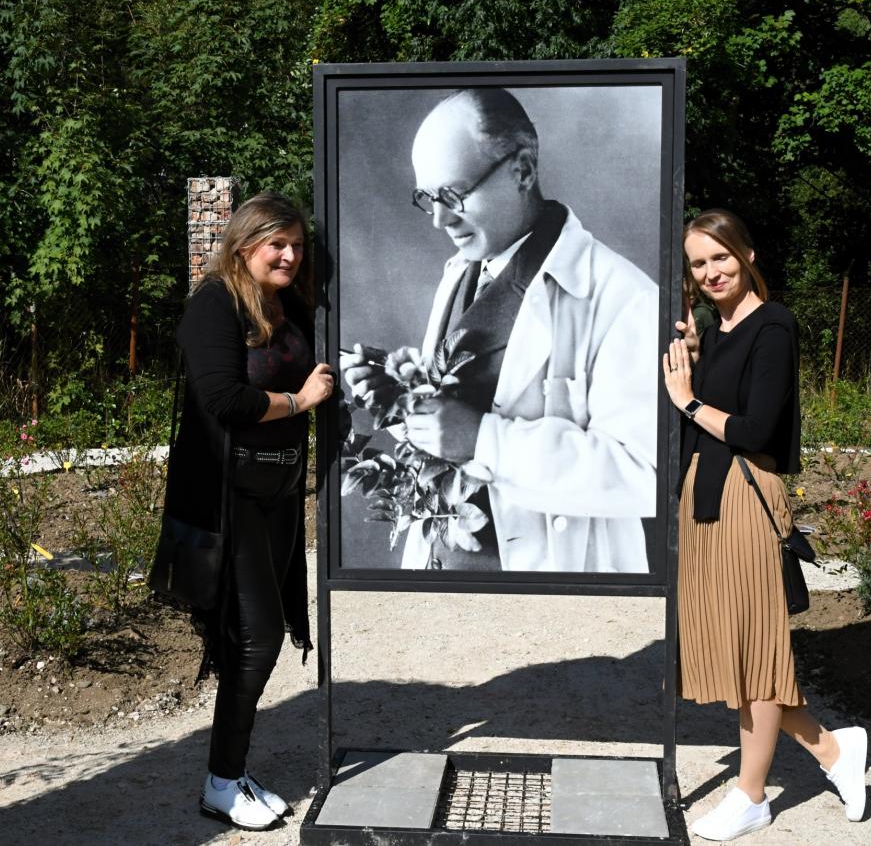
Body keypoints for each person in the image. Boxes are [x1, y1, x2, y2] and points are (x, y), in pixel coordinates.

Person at [341, 87, 657, 573]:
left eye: (454, 195)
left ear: (523, 170)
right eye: (428, 198)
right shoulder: (461, 272)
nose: (439, 220)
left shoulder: (623, 296)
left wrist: (485, 441)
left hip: (547, 581)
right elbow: (460, 418)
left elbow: (643, 474)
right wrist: (403, 400)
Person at [662, 209, 868, 840]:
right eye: (698, 264)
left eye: (720, 257)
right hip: (705, 499)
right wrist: (695, 358)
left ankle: (751, 795)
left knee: (755, 650)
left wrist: (689, 399)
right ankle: (834, 750)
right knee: (735, 651)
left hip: (747, 498)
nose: (711, 272)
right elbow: (703, 418)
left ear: (747, 254)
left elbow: (755, 429)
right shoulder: (716, 330)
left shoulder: (773, 324)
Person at [167, 192, 335, 831]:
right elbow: (223, 398)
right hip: (228, 500)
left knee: (257, 634)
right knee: (257, 636)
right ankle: (221, 781)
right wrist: (299, 402)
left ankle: (230, 773)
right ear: (244, 246)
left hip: (279, 493)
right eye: (277, 244)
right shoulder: (214, 304)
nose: (290, 255)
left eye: (298, 245)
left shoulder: (288, 304)